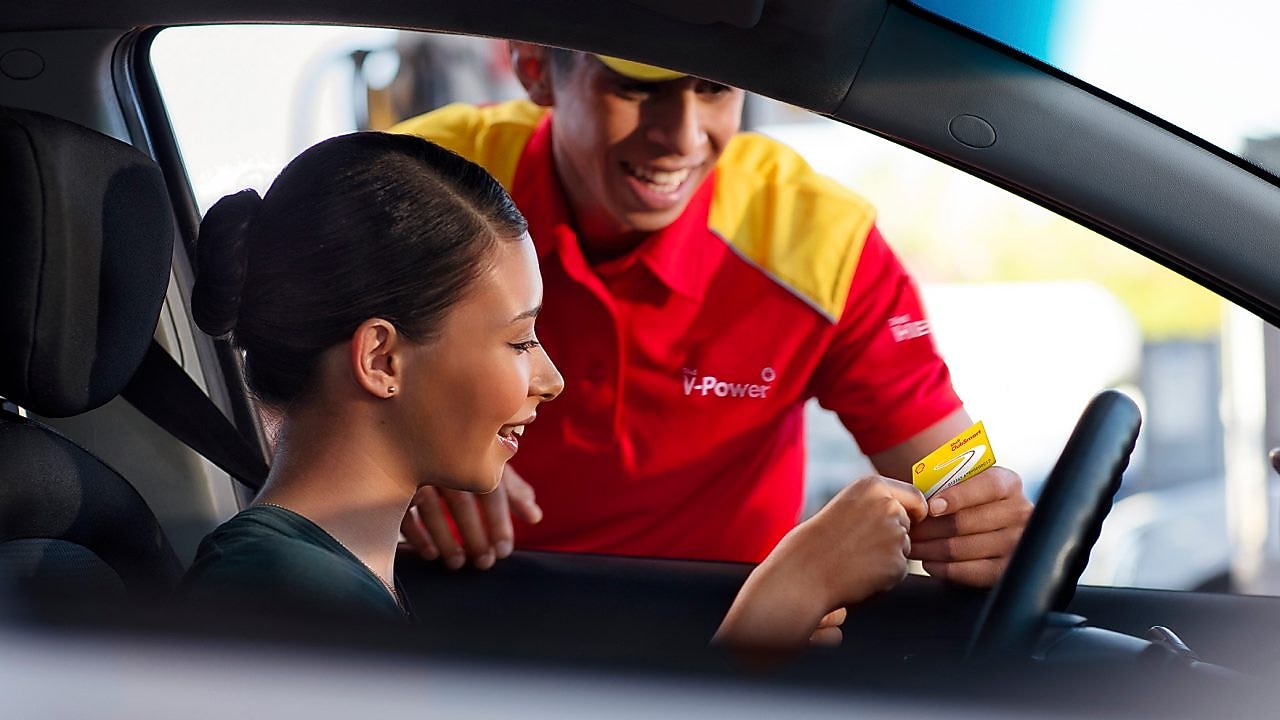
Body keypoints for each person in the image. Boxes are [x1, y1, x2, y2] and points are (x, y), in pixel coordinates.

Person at [178, 131, 929, 648]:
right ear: (380, 358)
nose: (552, 379)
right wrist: (766, 624)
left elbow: (950, 448)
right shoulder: (277, 593)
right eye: (518, 341)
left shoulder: (326, 575)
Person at [389, 46, 1032, 586]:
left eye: (716, 87)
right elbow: (293, 406)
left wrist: (986, 520)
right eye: (638, 86)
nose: (684, 137)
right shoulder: (416, 184)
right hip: (440, 626)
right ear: (534, 66)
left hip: (728, 650)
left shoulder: (818, 241)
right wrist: (396, 450)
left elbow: (954, 479)